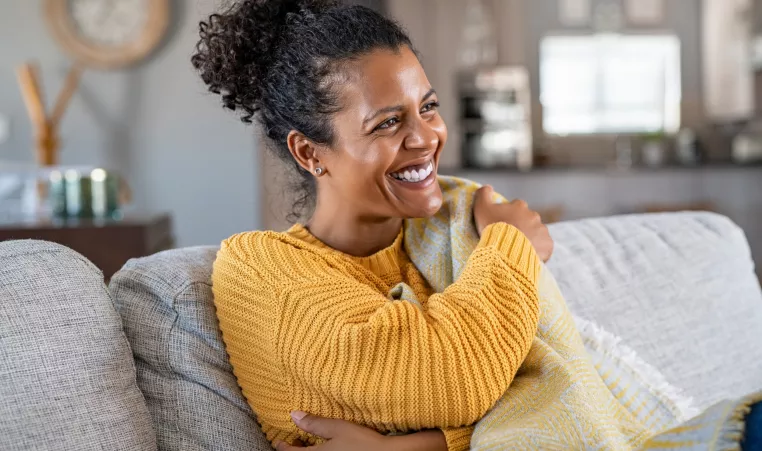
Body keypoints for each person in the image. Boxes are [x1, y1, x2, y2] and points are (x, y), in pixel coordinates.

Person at [194, 1, 760, 450]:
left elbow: (534, 383)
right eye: (389, 122)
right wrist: (512, 243)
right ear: (310, 153)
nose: (427, 138)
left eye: (429, 107)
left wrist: (422, 446)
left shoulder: (450, 226)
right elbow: (446, 375)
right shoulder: (257, 268)